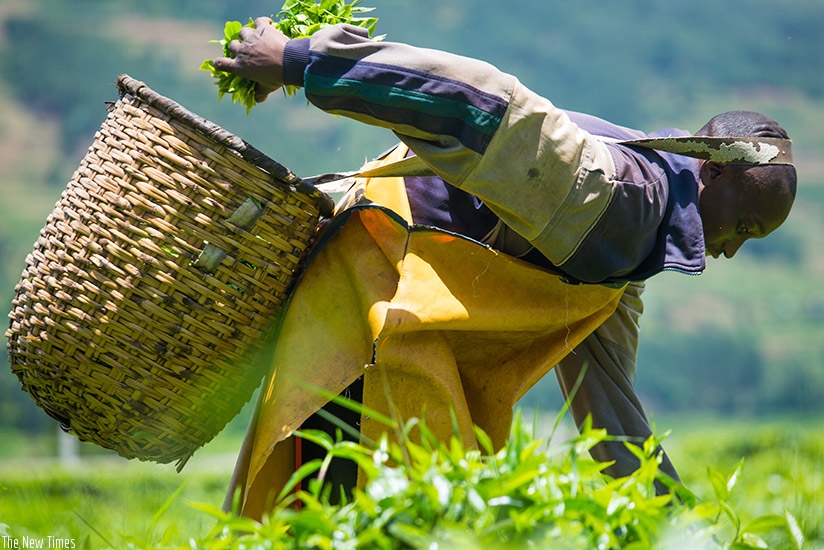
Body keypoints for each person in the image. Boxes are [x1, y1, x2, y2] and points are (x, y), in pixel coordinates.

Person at [211, 19, 797, 517]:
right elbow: (480, 102)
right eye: (742, 227)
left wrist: (680, 526)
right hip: (374, 293)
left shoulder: (627, 249)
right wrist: (299, 61)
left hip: (404, 322)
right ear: (713, 173)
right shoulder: (614, 191)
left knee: (419, 503)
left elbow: (611, 415)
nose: (732, 252)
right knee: (365, 506)